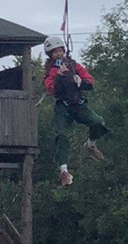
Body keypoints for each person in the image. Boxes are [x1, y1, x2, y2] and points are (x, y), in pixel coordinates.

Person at [42, 34, 107, 187]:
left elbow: (89, 82)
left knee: (98, 121)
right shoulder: (50, 72)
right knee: (62, 135)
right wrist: (59, 76)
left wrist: (80, 81)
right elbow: (52, 89)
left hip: (77, 104)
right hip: (62, 106)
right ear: (50, 55)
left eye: (60, 51)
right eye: (55, 52)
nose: (58, 54)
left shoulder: (74, 66)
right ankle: (63, 170)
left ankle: (91, 143)